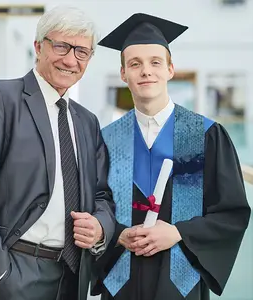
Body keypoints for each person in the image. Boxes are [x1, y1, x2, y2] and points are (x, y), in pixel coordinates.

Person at [0, 5, 115, 300]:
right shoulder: (1, 100)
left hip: (70, 277)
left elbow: (102, 194)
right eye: (61, 46)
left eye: (81, 52)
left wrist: (100, 227)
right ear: (38, 46)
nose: (70, 59)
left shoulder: (87, 122)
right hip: (12, 272)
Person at [91, 13, 251, 300]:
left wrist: (179, 233)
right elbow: (92, 206)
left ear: (170, 69)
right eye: (135, 64)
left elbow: (231, 213)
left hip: (181, 281)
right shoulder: (105, 140)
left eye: (155, 62)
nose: (146, 71)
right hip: (121, 282)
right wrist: (117, 235)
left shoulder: (205, 135)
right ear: (123, 74)